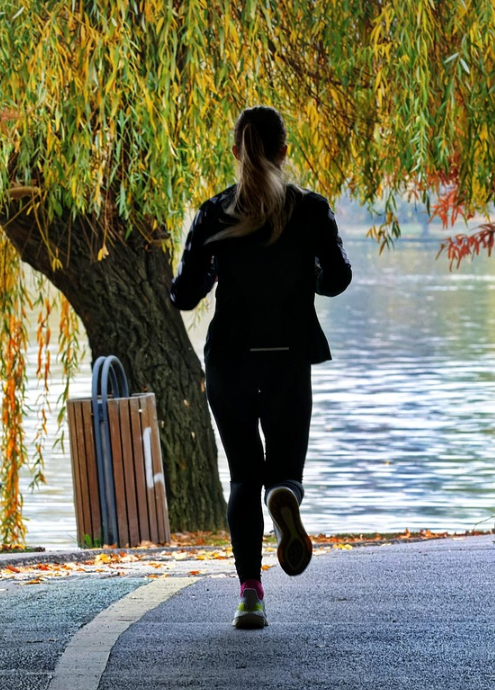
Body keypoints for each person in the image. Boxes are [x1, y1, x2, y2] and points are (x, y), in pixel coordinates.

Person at [170, 105, 352, 629]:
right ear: (283, 151)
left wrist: (199, 275)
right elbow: (337, 278)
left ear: (236, 152)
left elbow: (186, 295)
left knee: (243, 478)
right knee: (283, 472)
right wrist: (304, 271)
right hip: (289, 359)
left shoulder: (214, 213)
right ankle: (286, 496)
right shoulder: (311, 210)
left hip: (230, 360)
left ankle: (250, 595)